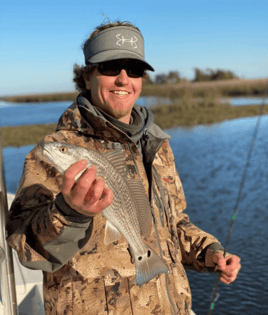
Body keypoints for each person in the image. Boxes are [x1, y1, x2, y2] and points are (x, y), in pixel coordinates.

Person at [6, 21, 241, 315]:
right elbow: (23, 243)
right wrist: (69, 214)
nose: (123, 79)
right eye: (110, 67)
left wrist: (211, 253)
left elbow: (174, 224)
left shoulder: (157, 145)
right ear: (87, 76)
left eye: (134, 69)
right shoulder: (54, 151)